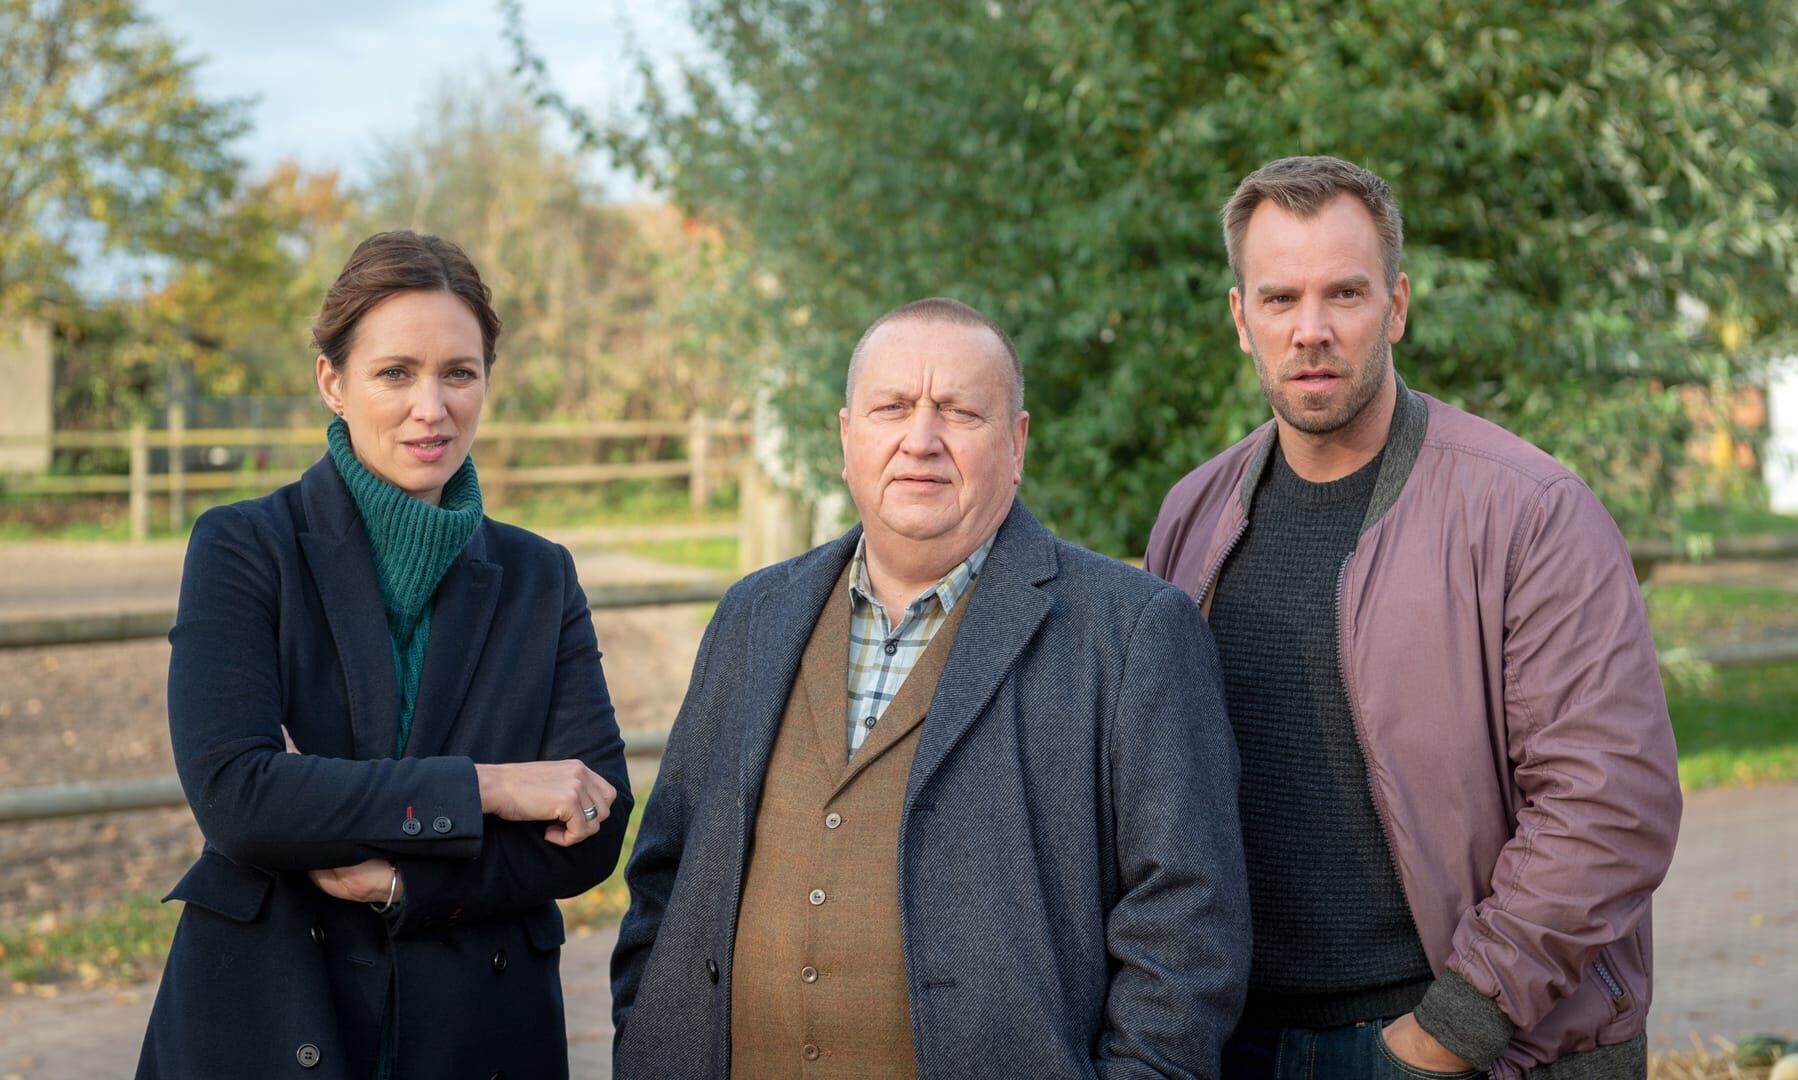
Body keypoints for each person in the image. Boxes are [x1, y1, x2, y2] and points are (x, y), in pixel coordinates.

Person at [609, 297, 1249, 1079]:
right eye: (892, 408)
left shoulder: (1131, 631)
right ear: (847, 438)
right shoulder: (754, 614)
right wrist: (650, 1037)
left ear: (1016, 443)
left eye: (958, 411)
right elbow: (665, 873)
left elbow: (1187, 925)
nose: (920, 439)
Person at [1146, 156, 1681, 1079]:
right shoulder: (1192, 520)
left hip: (1460, 1044)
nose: (1311, 330)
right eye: (1279, 299)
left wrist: (1452, 1032)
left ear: (1396, 306)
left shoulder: (1529, 512)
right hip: (1239, 1042)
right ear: (1240, 319)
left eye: (1345, 294)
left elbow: (1609, 801)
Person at [137, 230, 630, 1080]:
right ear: (332, 381)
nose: (430, 408)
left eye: (458, 373)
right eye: (396, 373)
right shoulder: (244, 548)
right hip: (271, 1014)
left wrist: (402, 882)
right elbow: (240, 797)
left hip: (478, 1030)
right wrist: (492, 788)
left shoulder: (539, 576)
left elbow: (592, 829)